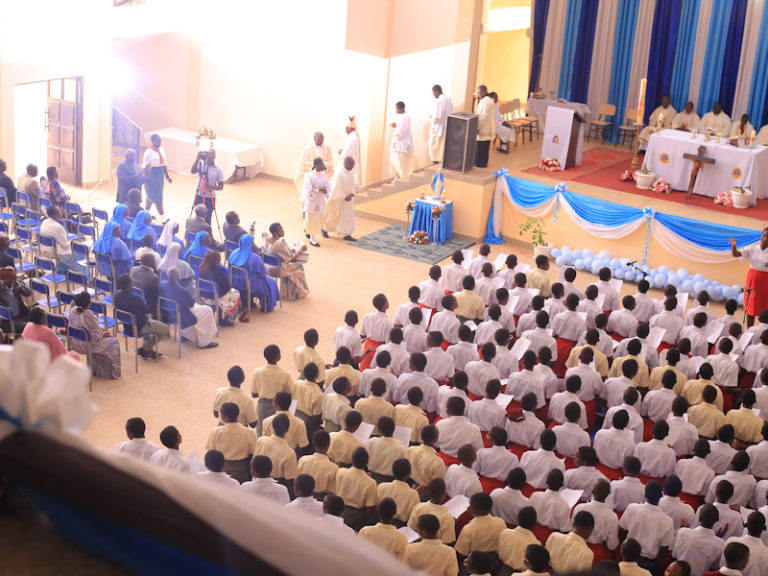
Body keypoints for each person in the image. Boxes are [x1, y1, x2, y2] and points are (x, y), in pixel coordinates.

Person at [158, 266, 218, 349]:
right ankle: (204, 342)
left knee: (200, 308)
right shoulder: (181, 291)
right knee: (208, 310)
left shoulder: (161, 284)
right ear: (178, 277)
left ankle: (185, 335)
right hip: (181, 315)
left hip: (167, 313)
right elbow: (191, 304)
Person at [113, 273, 170, 359]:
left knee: (147, 320)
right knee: (166, 328)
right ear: (130, 284)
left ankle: (147, 348)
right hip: (139, 327)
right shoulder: (136, 298)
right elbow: (147, 311)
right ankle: (145, 349)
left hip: (126, 326)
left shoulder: (116, 295)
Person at [69, 290, 121, 379]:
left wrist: (101, 331)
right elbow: (96, 335)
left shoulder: (73, 310)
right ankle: (113, 373)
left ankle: (98, 370)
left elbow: (90, 328)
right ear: (88, 303)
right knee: (114, 342)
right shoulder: (88, 315)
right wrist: (104, 334)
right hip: (86, 345)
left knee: (103, 335)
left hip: (74, 342)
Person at [204, 402, 256, 483]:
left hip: (221, 469)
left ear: (225, 417)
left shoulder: (216, 432)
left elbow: (212, 452)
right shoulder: (249, 432)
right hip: (242, 471)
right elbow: (253, 454)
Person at [228, 233, 279, 313]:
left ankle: (248, 302)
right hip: (250, 282)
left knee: (258, 282)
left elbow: (229, 267)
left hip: (236, 281)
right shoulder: (254, 257)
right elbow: (262, 273)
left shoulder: (233, 253)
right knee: (271, 282)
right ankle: (266, 306)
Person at [250, 344, 294, 435]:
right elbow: (290, 393)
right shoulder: (285, 375)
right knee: (278, 433)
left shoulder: (257, 372)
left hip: (262, 407)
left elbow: (254, 394)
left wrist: (265, 390)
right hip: (279, 406)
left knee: (262, 434)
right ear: (278, 357)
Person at [729, 228, 768, 327]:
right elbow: (736, 254)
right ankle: (749, 330)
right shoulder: (752, 249)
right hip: (753, 281)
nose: (765, 238)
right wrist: (734, 245)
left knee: (764, 307)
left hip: (766, 283)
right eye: (764, 235)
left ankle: (764, 331)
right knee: (751, 307)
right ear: (761, 236)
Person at [263, 222, 309, 301]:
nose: (283, 231)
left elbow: (278, 253)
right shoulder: (279, 243)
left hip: (266, 267)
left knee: (286, 265)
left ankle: (287, 293)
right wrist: (301, 250)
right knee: (298, 266)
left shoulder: (266, 239)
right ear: (276, 233)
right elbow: (291, 259)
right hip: (276, 270)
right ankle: (297, 292)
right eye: (281, 230)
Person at [198, 250, 239, 326]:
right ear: (217, 260)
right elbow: (226, 287)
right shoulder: (220, 270)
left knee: (220, 292)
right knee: (236, 293)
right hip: (215, 296)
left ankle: (219, 316)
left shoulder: (202, 268)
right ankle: (225, 318)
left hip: (203, 295)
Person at [323, 156, 357, 241]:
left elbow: (354, 184)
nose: (353, 167)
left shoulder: (351, 173)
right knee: (334, 216)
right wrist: (344, 196)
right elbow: (336, 187)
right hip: (339, 199)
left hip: (348, 200)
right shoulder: (339, 173)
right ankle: (324, 229)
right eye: (351, 165)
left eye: (353, 165)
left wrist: (352, 194)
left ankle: (347, 234)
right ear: (346, 164)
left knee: (348, 217)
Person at [294, 131, 334, 201]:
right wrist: (315, 165)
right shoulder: (308, 149)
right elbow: (304, 162)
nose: (321, 140)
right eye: (319, 139)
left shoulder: (327, 148)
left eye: (322, 139)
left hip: (323, 172)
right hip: (312, 172)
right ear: (315, 139)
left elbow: (330, 162)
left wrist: (323, 165)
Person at [142, 133, 172, 220]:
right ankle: (163, 218)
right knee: (157, 196)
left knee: (151, 196)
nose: (160, 142)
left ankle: (145, 214)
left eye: (160, 140)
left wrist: (167, 176)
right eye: (158, 140)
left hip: (160, 175)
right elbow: (144, 168)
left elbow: (164, 164)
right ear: (153, 141)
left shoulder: (161, 150)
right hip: (152, 175)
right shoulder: (148, 152)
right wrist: (146, 182)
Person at [191, 148, 224, 225]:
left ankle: (207, 235)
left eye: (211, 154)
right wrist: (198, 157)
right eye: (208, 154)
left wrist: (211, 187)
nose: (209, 156)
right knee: (198, 219)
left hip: (210, 197)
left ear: (215, 156)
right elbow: (192, 171)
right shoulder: (201, 165)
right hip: (199, 195)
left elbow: (221, 186)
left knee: (208, 219)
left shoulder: (218, 170)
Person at [302, 157, 330, 247]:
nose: (323, 166)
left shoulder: (324, 175)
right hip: (312, 201)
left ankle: (307, 230)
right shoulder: (309, 176)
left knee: (317, 219)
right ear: (315, 165)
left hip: (319, 201)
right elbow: (308, 191)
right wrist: (318, 190)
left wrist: (326, 191)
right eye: (321, 164)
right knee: (311, 219)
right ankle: (312, 239)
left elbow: (328, 186)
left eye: (323, 164)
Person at [39, 205, 73, 273]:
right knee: (81, 253)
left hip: (44, 249)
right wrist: (70, 241)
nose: (61, 212)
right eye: (59, 211)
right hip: (57, 252)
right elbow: (65, 245)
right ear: (54, 215)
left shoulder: (44, 222)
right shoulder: (58, 227)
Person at [0, 267, 31, 334]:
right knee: (28, 327)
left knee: (41, 318)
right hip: (7, 321)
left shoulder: (16, 286)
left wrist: (17, 283)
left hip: (21, 314)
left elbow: (28, 293)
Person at [429, 84, 453, 164]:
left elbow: (437, 117)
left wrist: (431, 119)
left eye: (433, 93)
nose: (433, 95)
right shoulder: (448, 99)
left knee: (433, 146)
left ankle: (435, 163)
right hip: (446, 127)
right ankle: (441, 162)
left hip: (438, 128)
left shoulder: (439, 101)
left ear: (437, 91)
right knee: (442, 147)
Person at [390, 101, 413, 181]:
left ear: (401, 108)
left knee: (399, 162)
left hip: (402, 145)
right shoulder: (403, 116)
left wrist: (396, 128)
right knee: (395, 161)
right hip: (400, 144)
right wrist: (396, 126)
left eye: (397, 108)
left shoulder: (404, 118)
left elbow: (401, 133)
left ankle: (400, 177)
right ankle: (397, 176)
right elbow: (401, 127)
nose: (396, 110)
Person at [475, 85, 495, 168]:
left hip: (484, 128)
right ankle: (483, 162)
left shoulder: (485, 101)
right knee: (484, 146)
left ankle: (480, 163)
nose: (478, 95)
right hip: (487, 127)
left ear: (484, 91)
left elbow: (483, 115)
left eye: (479, 93)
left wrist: (478, 126)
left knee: (481, 146)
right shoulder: (488, 100)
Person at [339, 116, 362, 185]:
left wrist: (342, 152)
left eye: (346, 128)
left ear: (350, 128)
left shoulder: (352, 137)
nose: (345, 130)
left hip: (350, 164)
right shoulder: (353, 136)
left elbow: (348, 152)